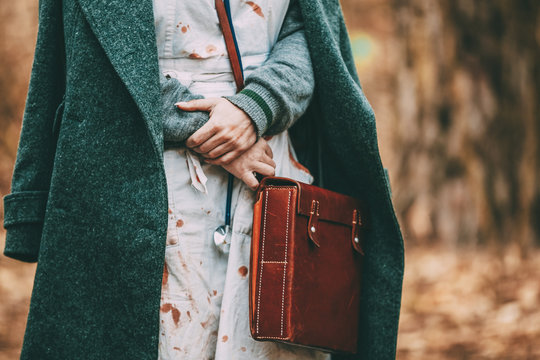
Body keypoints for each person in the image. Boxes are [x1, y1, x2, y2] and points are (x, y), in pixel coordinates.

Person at [2, 0, 404, 359]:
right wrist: (214, 129)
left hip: (276, 176)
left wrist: (256, 107)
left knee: (274, 338)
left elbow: (311, 31)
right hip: (136, 175)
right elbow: (91, 65)